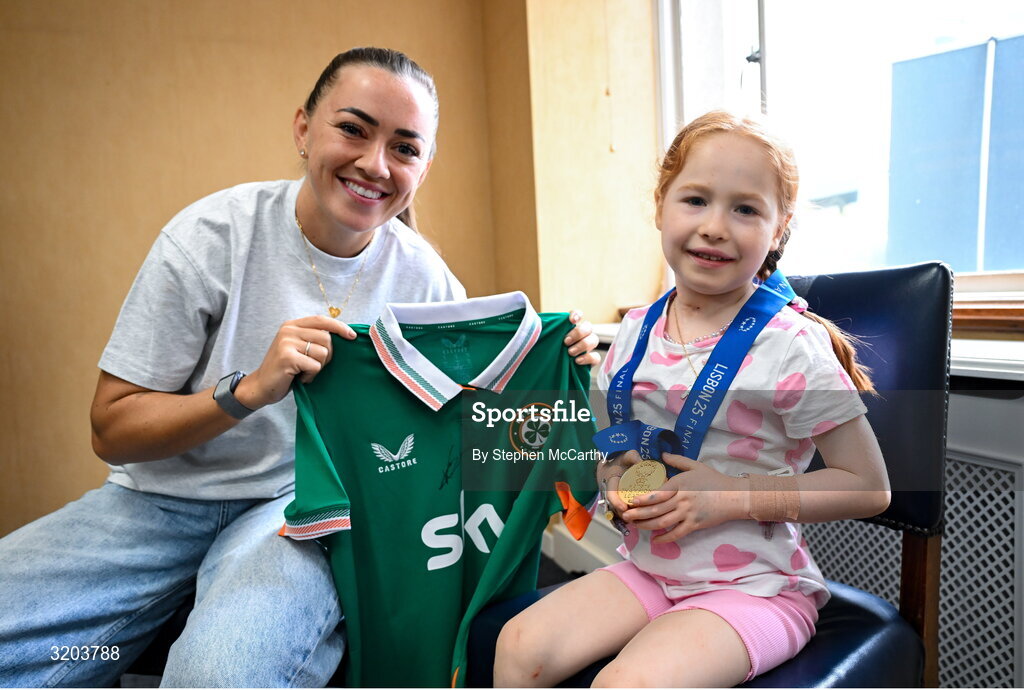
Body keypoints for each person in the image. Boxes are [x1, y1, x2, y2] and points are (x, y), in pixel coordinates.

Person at [0, 47, 599, 688]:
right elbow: (110, 431)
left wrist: (561, 370)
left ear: (423, 167)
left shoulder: (426, 283)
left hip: (304, 513)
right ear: (302, 128)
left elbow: (476, 437)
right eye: (353, 128)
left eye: (405, 147)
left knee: (220, 677)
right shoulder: (210, 238)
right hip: (158, 502)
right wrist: (247, 392)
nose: (375, 164)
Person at [493, 110, 891, 688]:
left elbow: (869, 487)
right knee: (519, 645)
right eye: (696, 200)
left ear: (778, 231)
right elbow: (616, 438)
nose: (715, 227)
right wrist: (615, 478)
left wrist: (731, 497)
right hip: (650, 569)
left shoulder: (790, 344)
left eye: (746, 209)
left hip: (756, 588)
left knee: (626, 685)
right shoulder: (635, 328)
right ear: (661, 206)